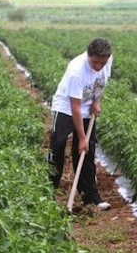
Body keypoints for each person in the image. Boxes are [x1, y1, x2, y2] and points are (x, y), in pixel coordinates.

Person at [47, 37, 113, 211]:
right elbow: (75, 108)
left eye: (102, 63)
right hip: (66, 107)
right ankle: (48, 191)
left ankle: (90, 196)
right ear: (88, 56)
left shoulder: (107, 60)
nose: (99, 66)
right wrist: (82, 137)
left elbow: (100, 83)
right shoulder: (77, 71)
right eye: (95, 62)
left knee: (86, 151)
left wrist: (96, 101)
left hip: (87, 106)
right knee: (58, 144)